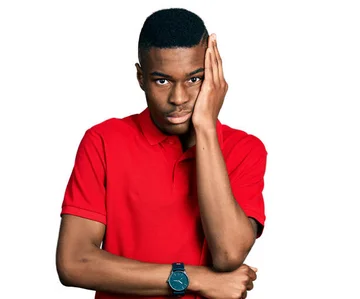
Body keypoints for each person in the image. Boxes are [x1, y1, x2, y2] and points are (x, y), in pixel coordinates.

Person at [55, 8, 268, 299]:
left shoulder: (245, 149)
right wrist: (193, 278)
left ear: (213, 78)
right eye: (162, 81)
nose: (178, 98)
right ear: (141, 77)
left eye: (194, 80)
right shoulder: (103, 141)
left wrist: (205, 126)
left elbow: (228, 254)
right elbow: (74, 262)